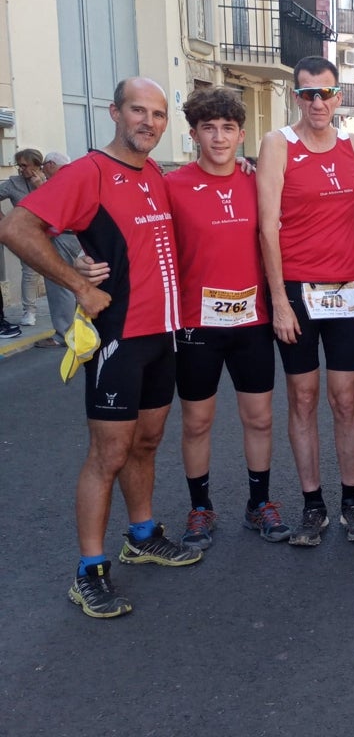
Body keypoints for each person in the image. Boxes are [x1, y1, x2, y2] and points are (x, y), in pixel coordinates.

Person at [0, 77, 200, 618]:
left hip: (162, 334)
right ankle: (89, 569)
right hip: (118, 337)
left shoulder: (156, 172)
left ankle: (141, 534)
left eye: (159, 115)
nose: (149, 123)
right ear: (114, 112)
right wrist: (79, 283)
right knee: (108, 454)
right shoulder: (89, 173)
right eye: (138, 111)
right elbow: (18, 228)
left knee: (147, 441)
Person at [160, 87, 287, 548]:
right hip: (197, 324)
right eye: (208, 128)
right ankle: (200, 509)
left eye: (227, 128)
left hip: (251, 322)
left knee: (259, 419)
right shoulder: (171, 185)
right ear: (193, 133)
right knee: (196, 422)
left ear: (241, 134)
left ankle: (260, 505)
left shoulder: (258, 181)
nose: (218, 138)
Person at [256, 55, 354, 546]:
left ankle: (351, 498)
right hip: (296, 292)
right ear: (296, 96)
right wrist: (280, 303)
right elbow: (267, 227)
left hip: (348, 289)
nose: (318, 102)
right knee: (303, 398)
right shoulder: (277, 145)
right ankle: (312, 502)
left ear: (338, 96)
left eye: (326, 93)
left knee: (345, 399)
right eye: (308, 93)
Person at [30, 152, 82, 348]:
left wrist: (40, 187)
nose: (41, 169)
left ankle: (63, 334)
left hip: (63, 236)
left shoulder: (60, 180)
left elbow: (53, 205)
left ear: (51, 164)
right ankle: (78, 331)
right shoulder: (76, 175)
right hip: (77, 237)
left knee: (60, 284)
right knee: (77, 282)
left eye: (43, 165)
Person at [1, 148, 48, 327]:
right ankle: (29, 311)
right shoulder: (13, 183)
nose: (21, 169)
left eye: (24, 165)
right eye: (18, 165)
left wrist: (40, 187)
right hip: (27, 235)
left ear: (37, 164)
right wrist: (5, 221)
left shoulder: (50, 179)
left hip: (52, 233)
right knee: (29, 273)